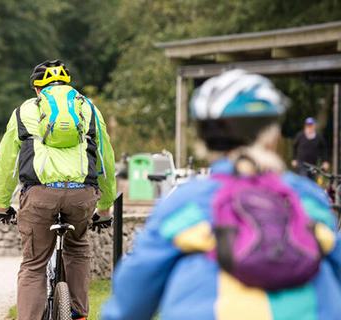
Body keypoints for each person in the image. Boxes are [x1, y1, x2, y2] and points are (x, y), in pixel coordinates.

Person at [102, 70, 341, 320]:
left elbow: (132, 296)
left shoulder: (186, 204)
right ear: (272, 135)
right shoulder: (308, 198)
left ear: (203, 141)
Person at [0, 59, 116, 320]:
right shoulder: (88, 109)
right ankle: (79, 315)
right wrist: (105, 207)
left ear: (37, 89)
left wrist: (1, 203)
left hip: (40, 195)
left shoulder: (24, 111)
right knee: (78, 247)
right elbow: (106, 159)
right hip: (82, 195)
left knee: (34, 264)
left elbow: (6, 162)